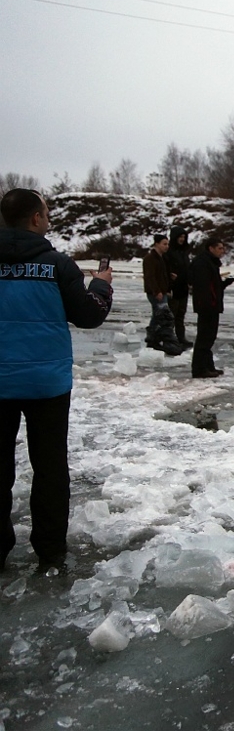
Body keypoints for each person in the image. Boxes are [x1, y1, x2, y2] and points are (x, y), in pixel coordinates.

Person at [0, 188, 113, 573]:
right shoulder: (57, 265)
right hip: (45, 384)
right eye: (45, 213)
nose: (47, 218)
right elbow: (89, 315)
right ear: (35, 218)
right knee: (49, 467)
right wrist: (101, 285)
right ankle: (49, 549)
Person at [190, 237, 234, 379]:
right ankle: (199, 369)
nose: (223, 251)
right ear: (211, 248)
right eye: (220, 248)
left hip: (211, 305)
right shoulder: (202, 263)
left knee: (209, 337)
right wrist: (208, 303)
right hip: (207, 306)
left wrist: (225, 283)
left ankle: (208, 365)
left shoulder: (210, 263)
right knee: (204, 337)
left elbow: (214, 287)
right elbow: (203, 287)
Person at [142, 234, 177, 352]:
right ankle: (153, 339)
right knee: (160, 315)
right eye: (164, 244)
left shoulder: (161, 258)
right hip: (155, 292)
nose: (167, 247)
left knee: (159, 315)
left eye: (167, 244)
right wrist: (156, 291)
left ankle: (154, 339)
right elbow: (150, 276)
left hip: (161, 291)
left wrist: (167, 287)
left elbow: (161, 275)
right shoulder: (150, 258)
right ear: (156, 244)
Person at [164, 225, 192, 347]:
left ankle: (180, 337)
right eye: (180, 237)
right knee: (172, 315)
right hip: (173, 287)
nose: (182, 239)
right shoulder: (169, 252)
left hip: (183, 287)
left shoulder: (184, 252)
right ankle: (169, 338)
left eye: (183, 237)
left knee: (180, 315)